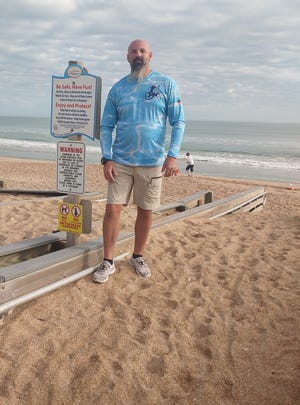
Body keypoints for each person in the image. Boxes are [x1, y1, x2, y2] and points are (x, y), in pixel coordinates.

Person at [92, 39, 185, 283]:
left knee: (145, 211)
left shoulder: (166, 84)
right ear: (127, 57)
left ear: (150, 55)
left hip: (152, 161)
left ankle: (137, 256)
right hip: (120, 161)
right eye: (134, 51)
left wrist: (172, 156)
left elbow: (178, 122)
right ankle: (108, 261)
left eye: (142, 50)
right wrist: (106, 158)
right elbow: (106, 126)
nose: (138, 54)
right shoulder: (118, 89)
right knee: (112, 209)